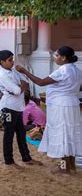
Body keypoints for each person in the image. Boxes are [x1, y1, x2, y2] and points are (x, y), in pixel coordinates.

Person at [16, 46, 81, 174]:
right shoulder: (77, 70)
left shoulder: (62, 71)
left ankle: (64, 167)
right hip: (72, 105)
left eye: (56, 56)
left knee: (62, 135)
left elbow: (40, 82)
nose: (54, 58)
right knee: (70, 134)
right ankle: (71, 165)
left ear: (63, 58)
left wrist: (24, 71)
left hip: (61, 106)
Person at [0, 50, 42, 169]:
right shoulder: (2, 76)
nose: (13, 62)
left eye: (12, 59)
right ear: (2, 62)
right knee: (9, 134)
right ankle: (9, 161)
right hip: (8, 108)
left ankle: (26, 158)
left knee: (21, 133)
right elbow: (17, 91)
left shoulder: (13, 71)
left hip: (18, 107)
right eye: (10, 60)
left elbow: (25, 83)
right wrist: (21, 87)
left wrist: (21, 86)